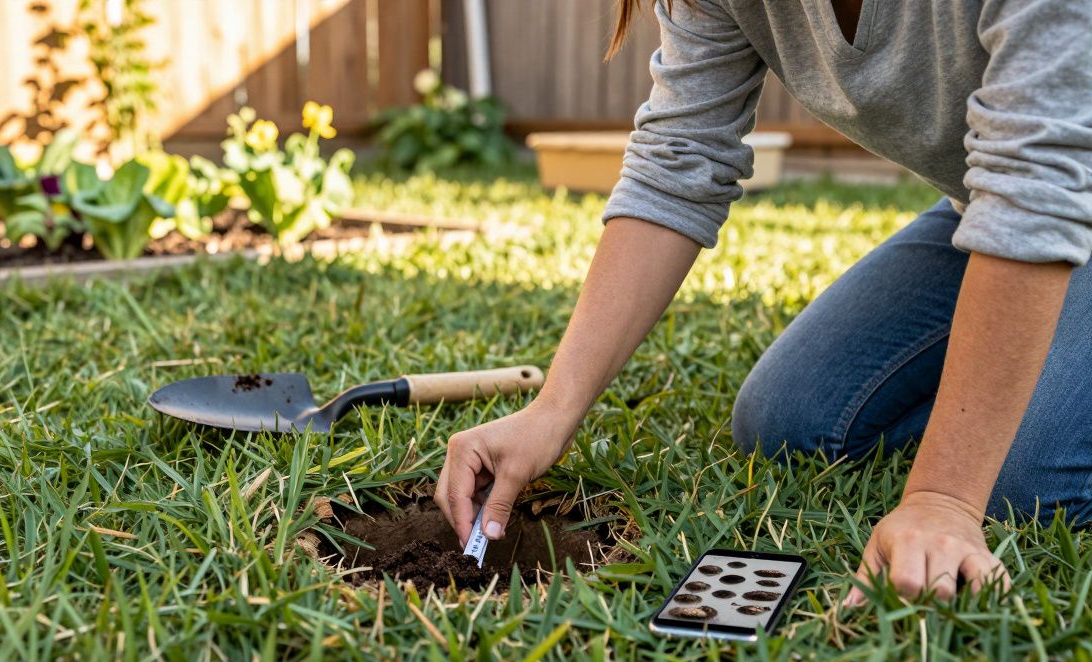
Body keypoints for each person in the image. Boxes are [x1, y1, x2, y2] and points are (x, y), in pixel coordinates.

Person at [434, 0, 1092, 603]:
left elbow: (1033, 183)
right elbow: (679, 157)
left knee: (1025, 483)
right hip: (994, 206)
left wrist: (944, 498)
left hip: (1045, 191)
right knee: (793, 420)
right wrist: (554, 410)